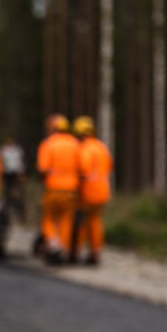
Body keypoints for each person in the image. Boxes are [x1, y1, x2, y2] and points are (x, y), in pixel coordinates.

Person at [37, 114, 81, 264]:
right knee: (66, 220)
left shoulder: (48, 144)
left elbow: (43, 169)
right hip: (70, 191)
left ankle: (53, 242)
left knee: (49, 218)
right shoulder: (76, 144)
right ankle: (64, 249)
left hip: (53, 189)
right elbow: (82, 168)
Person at [74, 116, 113, 265]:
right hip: (102, 192)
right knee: (95, 221)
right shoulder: (102, 147)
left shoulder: (84, 149)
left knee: (82, 222)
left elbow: (83, 171)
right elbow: (109, 167)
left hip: (88, 193)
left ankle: (76, 252)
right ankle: (95, 252)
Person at [0, 138, 26, 222]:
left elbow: (20, 162)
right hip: (8, 175)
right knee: (8, 195)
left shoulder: (14, 150)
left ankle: (19, 215)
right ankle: (9, 214)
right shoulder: (4, 150)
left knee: (17, 195)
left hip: (14, 175)